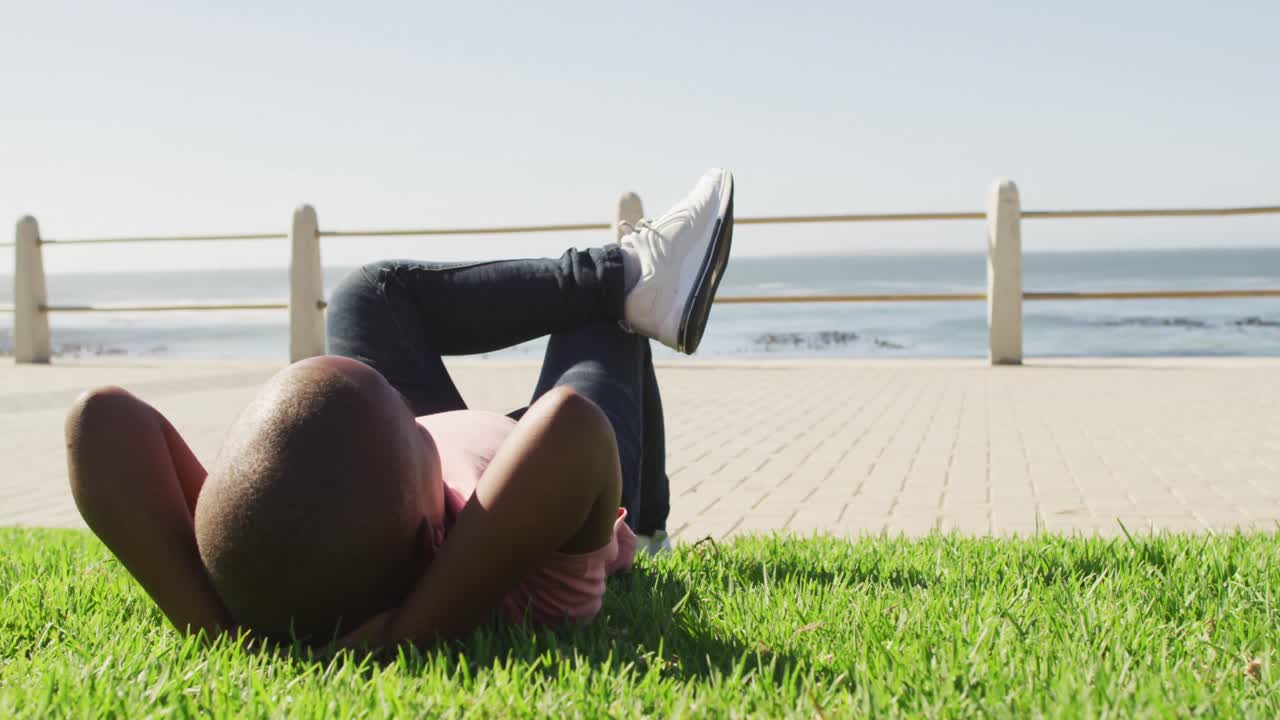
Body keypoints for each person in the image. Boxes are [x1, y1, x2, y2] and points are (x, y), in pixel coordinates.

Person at [64, 168, 736, 647]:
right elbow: (566, 428)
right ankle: (647, 517)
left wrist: (211, 625)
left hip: (386, 466)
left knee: (366, 294)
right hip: (576, 491)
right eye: (393, 402)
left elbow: (99, 421)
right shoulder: (511, 576)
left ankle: (628, 274)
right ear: (433, 538)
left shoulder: (270, 543)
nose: (390, 386)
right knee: (605, 323)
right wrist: (411, 634)